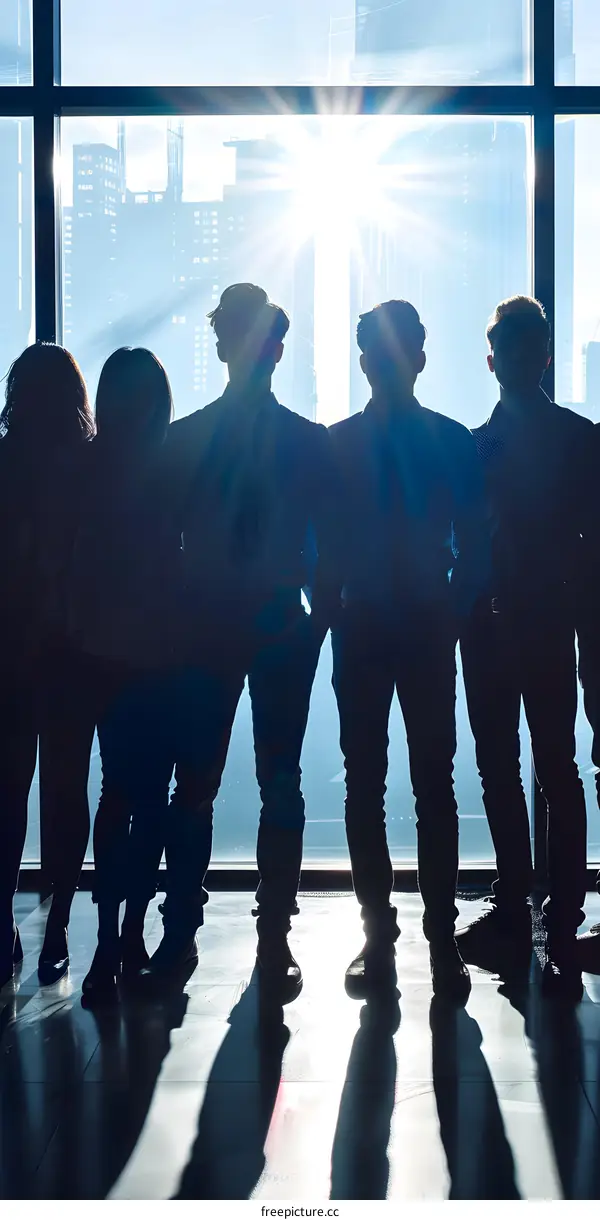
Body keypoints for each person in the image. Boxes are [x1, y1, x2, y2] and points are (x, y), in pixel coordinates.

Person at [135, 283, 339, 1001]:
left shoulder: (187, 440)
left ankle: (186, 929)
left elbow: (161, 542)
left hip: (217, 623)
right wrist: (318, 616)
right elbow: (328, 545)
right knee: (272, 780)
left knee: (199, 783)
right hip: (276, 621)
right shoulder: (307, 444)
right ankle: (270, 932)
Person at [326, 300, 490, 1004]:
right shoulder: (452, 442)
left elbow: (321, 545)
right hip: (415, 622)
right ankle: (436, 940)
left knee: (372, 784)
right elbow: (476, 543)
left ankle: (386, 936)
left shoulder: (338, 445)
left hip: (374, 624)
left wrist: (327, 607)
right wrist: (451, 608)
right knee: (431, 787)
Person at [458, 295, 599, 1001]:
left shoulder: (478, 447)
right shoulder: (580, 440)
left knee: (512, 769)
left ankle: (521, 905)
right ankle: (557, 913)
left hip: (499, 624)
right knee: (552, 770)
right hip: (537, 623)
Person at [63, 348, 182, 1005]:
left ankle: (109, 940)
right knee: (150, 797)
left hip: (105, 650)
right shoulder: (172, 468)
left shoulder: (90, 468)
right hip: (161, 651)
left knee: (117, 795)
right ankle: (130, 932)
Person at [0, 342, 95, 989]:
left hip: (11, 651)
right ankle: (59, 925)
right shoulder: (90, 470)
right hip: (72, 652)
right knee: (66, 791)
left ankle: (4, 923)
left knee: (9, 792)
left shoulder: (5, 464)